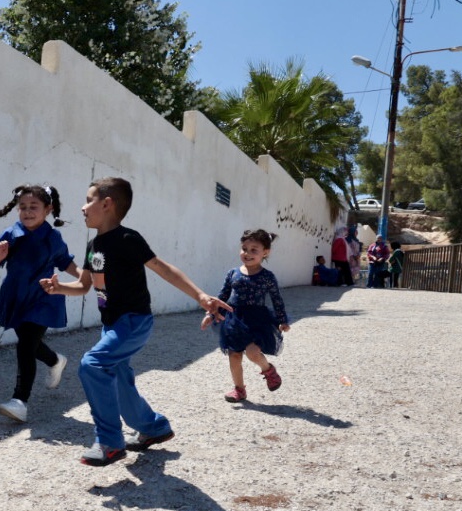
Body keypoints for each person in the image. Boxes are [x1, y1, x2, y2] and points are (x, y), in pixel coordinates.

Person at [41, 177, 232, 466]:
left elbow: (163, 269)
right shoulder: (93, 244)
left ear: (107, 204)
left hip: (133, 322)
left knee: (92, 365)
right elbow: (83, 285)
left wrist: (201, 296)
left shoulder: (128, 239)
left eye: (88, 199)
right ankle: (154, 428)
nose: (82, 207)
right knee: (119, 381)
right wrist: (58, 288)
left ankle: (109, 442)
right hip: (112, 324)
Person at [0, 184, 81, 423]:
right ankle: (56, 360)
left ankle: (19, 401)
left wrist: (85, 277)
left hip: (43, 297)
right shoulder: (11, 233)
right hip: (16, 297)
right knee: (30, 343)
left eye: (33, 207)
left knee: (25, 346)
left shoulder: (52, 237)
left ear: (47, 209)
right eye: (22, 207)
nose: (27, 212)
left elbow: (65, 261)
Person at [203, 230, 292, 403]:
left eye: (254, 250)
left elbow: (276, 299)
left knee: (252, 353)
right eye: (244, 249)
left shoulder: (267, 277)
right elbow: (221, 297)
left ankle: (268, 370)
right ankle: (239, 390)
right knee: (234, 356)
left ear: (265, 252)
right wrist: (210, 313)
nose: (247, 253)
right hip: (234, 320)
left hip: (257, 320)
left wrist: (282, 320)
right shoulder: (233, 273)